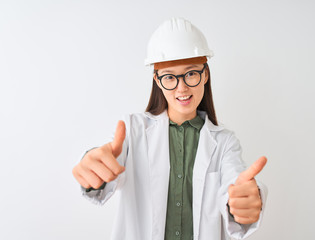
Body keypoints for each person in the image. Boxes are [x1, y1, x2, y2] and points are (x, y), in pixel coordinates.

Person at [72, 17, 268, 240]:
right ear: (157, 80)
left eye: (191, 73)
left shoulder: (225, 142)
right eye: (169, 77)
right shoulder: (133, 130)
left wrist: (243, 202)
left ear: (205, 74)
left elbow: (235, 184)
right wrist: (92, 167)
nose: (181, 87)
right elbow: (103, 169)